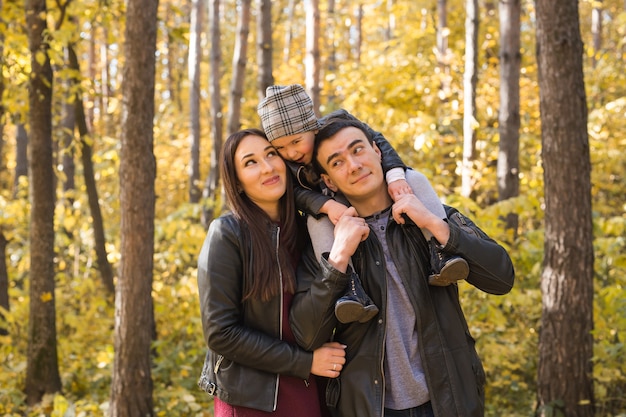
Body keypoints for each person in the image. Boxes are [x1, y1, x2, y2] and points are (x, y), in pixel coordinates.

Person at [289, 118, 515, 417]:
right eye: (338, 162)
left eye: (358, 150)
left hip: (449, 400)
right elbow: (306, 335)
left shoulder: (428, 214)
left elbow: (501, 278)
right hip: (370, 407)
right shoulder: (327, 244)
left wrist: (435, 224)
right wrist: (339, 258)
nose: (354, 165)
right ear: (328, 180)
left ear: (377, 151)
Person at [257, 84, 469, 324]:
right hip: (332, 206)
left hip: (367, 192)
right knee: (316, 222)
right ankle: (349, 287)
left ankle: (441, 252)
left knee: (415, 179)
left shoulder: (339, 125)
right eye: (280, 148)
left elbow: (378, 142)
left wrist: (395, 176)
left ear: (311, 127)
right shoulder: (288, 165)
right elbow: (294, 193)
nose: (291, 153)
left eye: (296, 142)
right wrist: (326, 206)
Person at [196, 128, 347, 416]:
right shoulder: (227, 234)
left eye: (270, 155)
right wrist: (305, 362)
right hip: (253, 399)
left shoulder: (308, 230)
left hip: (308, 389)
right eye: (250, 162)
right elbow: (221, 333)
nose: (267, 167)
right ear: (237, 182)